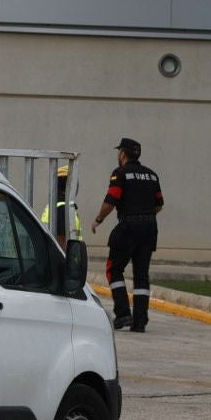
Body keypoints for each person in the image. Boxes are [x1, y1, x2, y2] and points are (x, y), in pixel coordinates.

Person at [91, 136, 163, 331]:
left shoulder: (120, 173)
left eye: (118, 152)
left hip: (129, 226)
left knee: (113, 268)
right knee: (141, 275)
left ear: (122, 153)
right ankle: (140, 322)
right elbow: (159, 206)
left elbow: (111, 200)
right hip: (149, 228)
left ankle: (123, 314)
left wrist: (98, 219)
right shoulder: (152, 175)